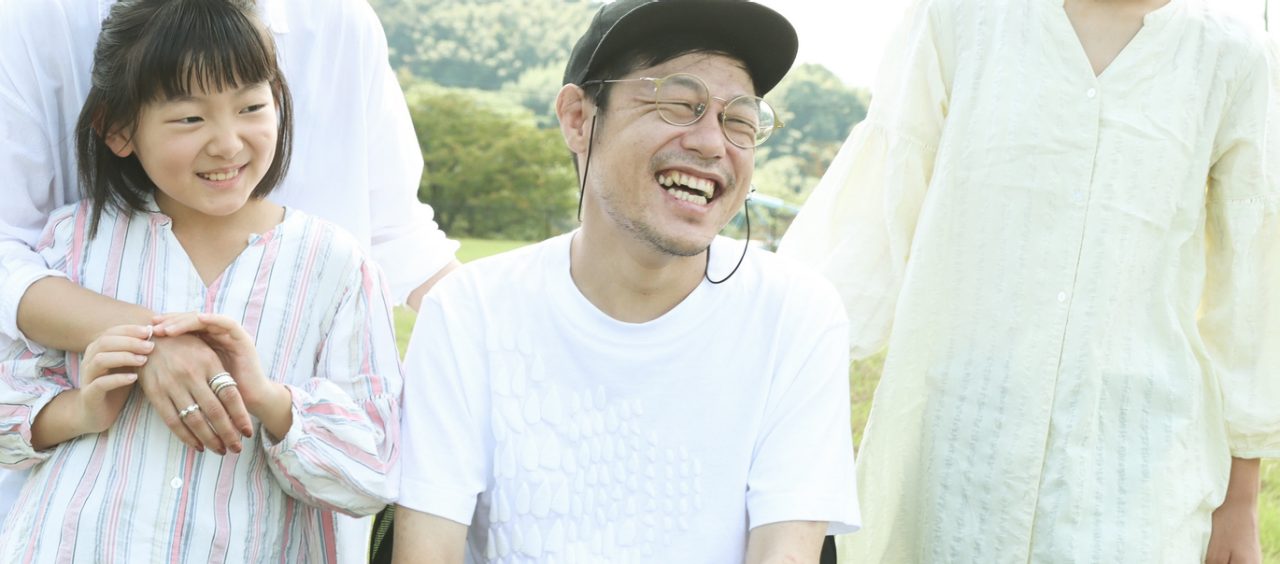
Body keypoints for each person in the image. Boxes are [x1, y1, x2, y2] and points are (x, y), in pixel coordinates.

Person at [778, 0, 1279, 561]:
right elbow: (869, 226)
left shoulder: (1232, 58)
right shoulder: (960, 19)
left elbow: (1249, 289)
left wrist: (1239, 504)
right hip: (957, 448)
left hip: (1137, 465)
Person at [388, 0, 860, 562]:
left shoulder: (795, 315)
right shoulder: (469, 313)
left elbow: (787, 548)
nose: (713, 144)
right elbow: (426, 550)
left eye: (738, 120)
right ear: (578, 119)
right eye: (680, 104)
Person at [0, 0, 455, 554]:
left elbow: (372, 469)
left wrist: (269, 400)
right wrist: (79, 410)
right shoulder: (74, 243)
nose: (227, 142)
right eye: (190, 118)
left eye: (251, 108)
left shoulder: (334, 266)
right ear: (117, 129)